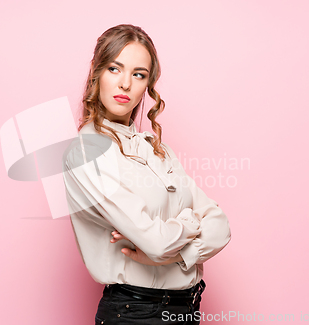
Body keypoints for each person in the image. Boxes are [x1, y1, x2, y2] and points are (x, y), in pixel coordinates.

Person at [62, 24, 231, 325]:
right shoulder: (87, 152)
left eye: (138, 74)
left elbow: (220, 227)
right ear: (97, 73)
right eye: (115, 69)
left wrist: (176, 252)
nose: (125, 83)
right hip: (136, 314)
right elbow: (156, 243)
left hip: (187, 309)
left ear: (147, 85)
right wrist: (190, 223)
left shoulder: (156, 149)